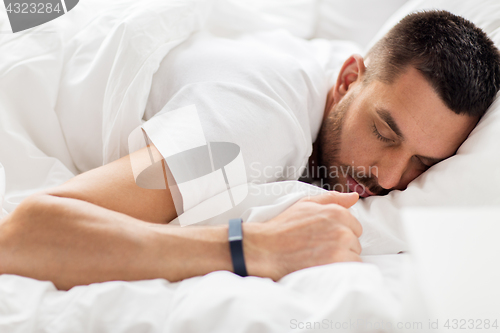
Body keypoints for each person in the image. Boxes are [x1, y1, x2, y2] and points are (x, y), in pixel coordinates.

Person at [0, 10, 499, 291]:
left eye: (423, 163)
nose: (389, 178)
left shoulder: (344, 78)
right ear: (349, 80)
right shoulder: (246, 129)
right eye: (385, 133)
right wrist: (253, 248)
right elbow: (27, 233)